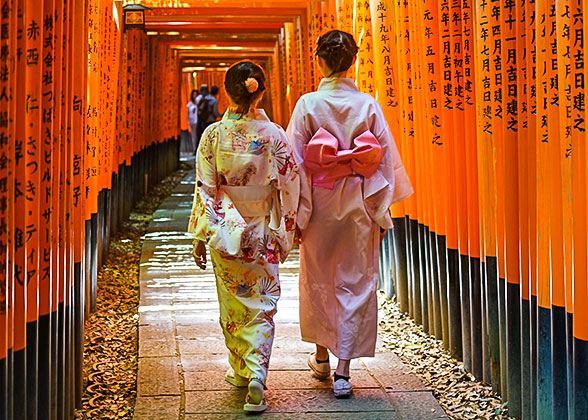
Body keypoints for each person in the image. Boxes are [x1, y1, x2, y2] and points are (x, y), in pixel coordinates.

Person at [286, 30, 413, 398]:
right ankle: (343, 371)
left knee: (319, 276)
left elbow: (296, 165)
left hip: (320, 203)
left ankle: (321, 357)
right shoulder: (368, 105)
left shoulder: (308, 105)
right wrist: (381, 210)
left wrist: (297, 213)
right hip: (358, 199)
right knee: (356, 281)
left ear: (319, 60)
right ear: (353, 62)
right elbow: (384, 162)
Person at [189, 61, 300, 413]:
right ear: (260, 91)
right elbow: (289, 185)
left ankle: (241, 370)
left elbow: (206, 189)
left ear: (227, 91)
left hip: (225, 230)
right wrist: (287, 231)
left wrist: (199, 236)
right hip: (262, 228)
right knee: (262, 305)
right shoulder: (275, 135)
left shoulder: (212, 135)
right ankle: (255, 374)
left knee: (233, 304)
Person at [187, 89, 199, 153]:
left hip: (198, 121)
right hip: (192, 122)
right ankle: (195, 149)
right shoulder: (190, 104)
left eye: (196, 95)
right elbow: (188, 113)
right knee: (193, 136)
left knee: (198, 135)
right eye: (194, 94)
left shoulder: (199, 102)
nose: (195, 96)